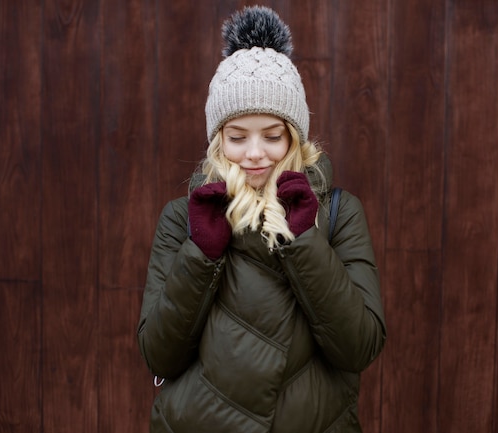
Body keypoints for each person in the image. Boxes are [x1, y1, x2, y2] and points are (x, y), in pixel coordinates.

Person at [137, 6, 386, 433]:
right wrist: (202, 254)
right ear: (218, 140)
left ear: (295, 137)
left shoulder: (339, 214)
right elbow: (159, 356)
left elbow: (359, 347)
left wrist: (304, 240)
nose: (255, 153)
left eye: (272, 135)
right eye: (237, 137)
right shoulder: (184, 219)